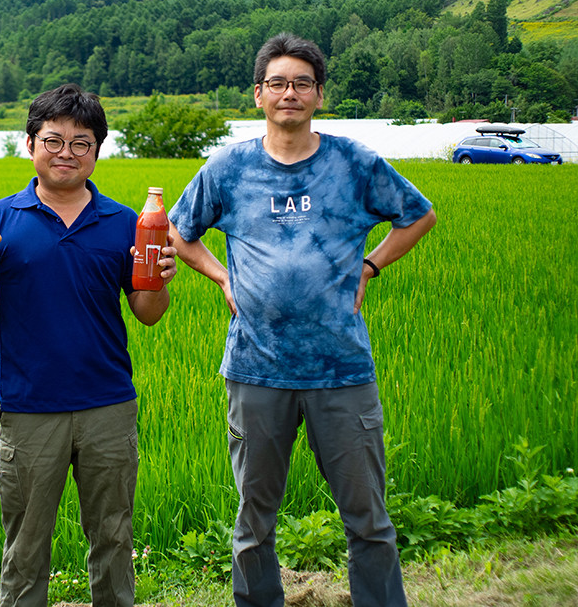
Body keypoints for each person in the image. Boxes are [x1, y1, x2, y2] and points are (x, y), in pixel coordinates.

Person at [168, 32, 436, 607]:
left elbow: (418, 215)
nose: (290, 92)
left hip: (341, 368)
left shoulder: (354, 163)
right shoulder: (228, 167)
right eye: (278, 83)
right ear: (258, 94)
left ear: (319, 95)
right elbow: (177, 230)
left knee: (368, 517)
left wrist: (371, 263)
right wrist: (220, 275)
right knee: (253, 519)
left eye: (303, 83)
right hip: (256, 368)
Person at [0, 84, 176, 607]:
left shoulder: (126, 224)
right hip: (30, 408)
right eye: (53, 140)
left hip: (108, 405)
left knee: (114, 536)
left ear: (97, 151)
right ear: (29, 144)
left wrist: (158, 279)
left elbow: (147, 315)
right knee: (26, 546)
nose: (66, 153)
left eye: (81, 143)